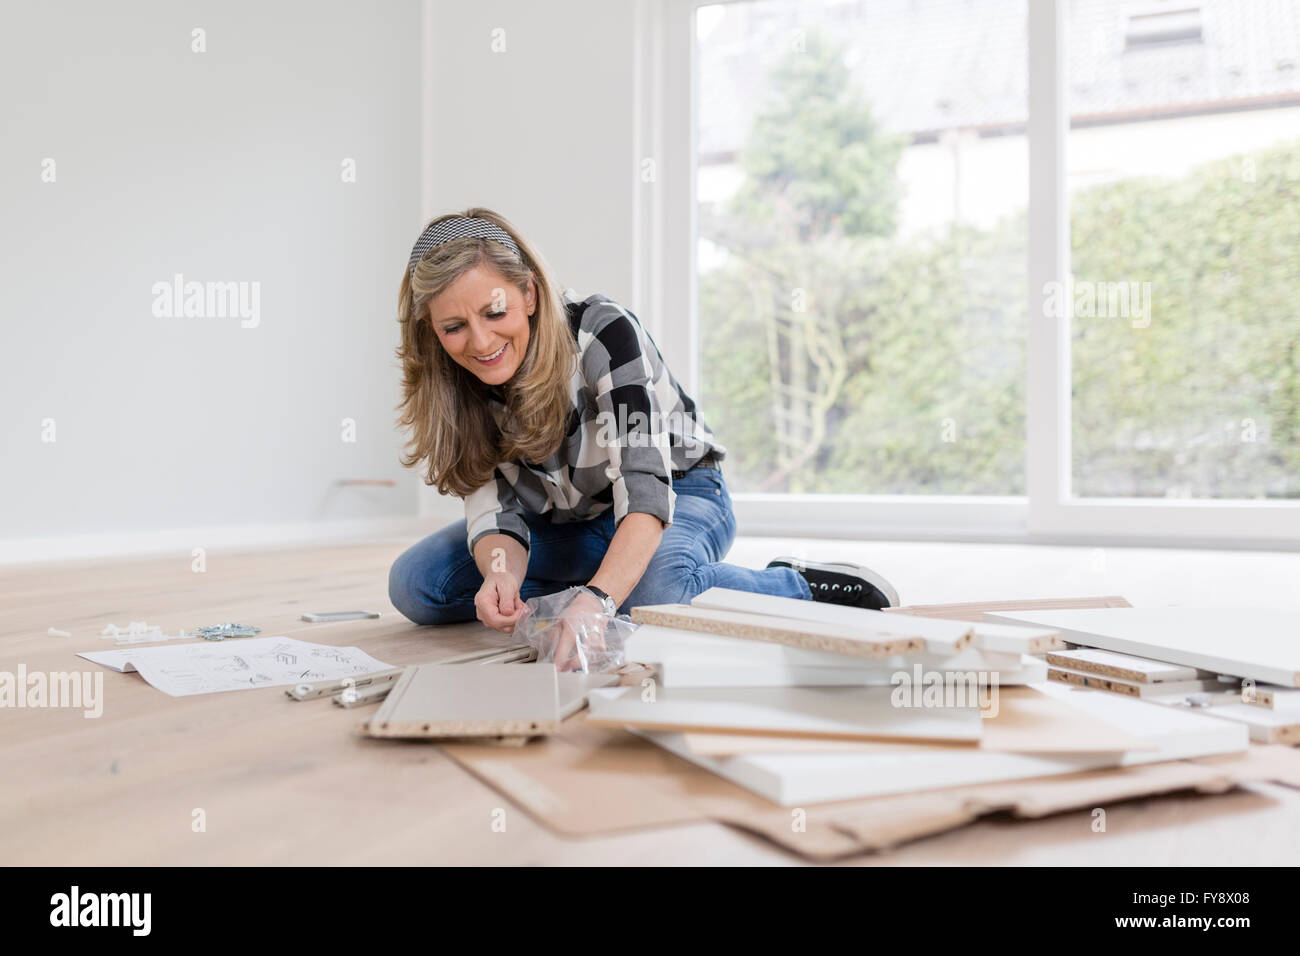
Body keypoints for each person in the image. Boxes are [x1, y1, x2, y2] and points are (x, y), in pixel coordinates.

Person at [387, 207, 899, 647]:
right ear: (434, 332)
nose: (479, 341)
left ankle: (797, 587)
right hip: (567, 523)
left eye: (494, 311)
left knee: (654, 597)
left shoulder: (603, 333)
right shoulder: (455, 384)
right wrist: (500, 576)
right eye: (454, 327)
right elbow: (495, 511)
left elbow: (646, 491)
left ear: (528, 294)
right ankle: (616, 578)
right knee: (417, 585)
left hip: (679, 495)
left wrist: (600, 599)